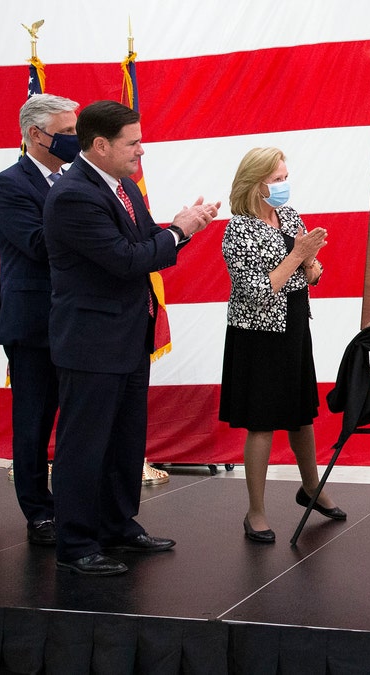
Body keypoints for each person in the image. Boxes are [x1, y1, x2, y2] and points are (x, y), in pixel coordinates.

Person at [43, 100, 220, 575]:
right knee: (84, 445)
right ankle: (77, 543)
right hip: (91, 340)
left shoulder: (124, 187)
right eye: (133, 142)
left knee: (125, 440)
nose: (143, 149)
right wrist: (179, 232)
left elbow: (148, 246)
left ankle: (118, 525)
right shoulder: (74, 195)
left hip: (127, 335)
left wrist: (183, 227)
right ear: (100, 145)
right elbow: (125, 259)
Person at [219, 147, 346, 544]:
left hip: (292, 324)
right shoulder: (238, 230)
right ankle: (255, 511)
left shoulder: (289, 216)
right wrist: (298, 256)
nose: (284, 185)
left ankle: (311, 488)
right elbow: (258, 291)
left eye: (285, 177)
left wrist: (313, 266)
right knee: (261, 422)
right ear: (256, 185)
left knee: (301, 413)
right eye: (277, 180)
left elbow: (308, 276)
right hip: (258, 332)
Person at [0, 93, 79, 547]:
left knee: (77, 419)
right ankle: (38, 512)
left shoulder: (74, 178)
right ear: (34, 134)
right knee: (34, 420)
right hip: (32, 321)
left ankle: (74, 505)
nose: (74, 140)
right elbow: (38, 244)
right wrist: (90, 232)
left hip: (76, 319)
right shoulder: (9, 184)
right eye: (65, 133)